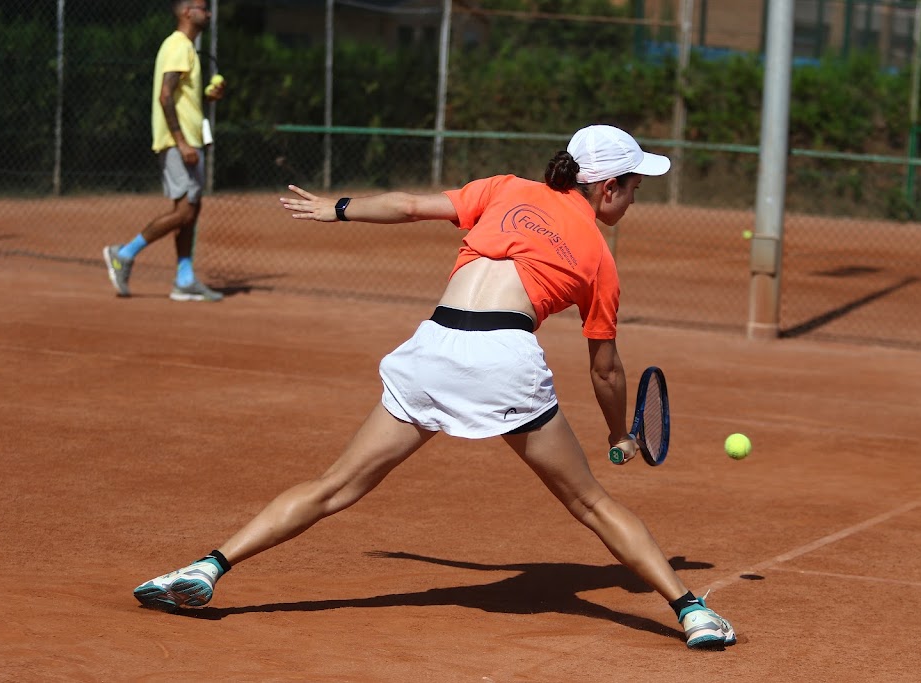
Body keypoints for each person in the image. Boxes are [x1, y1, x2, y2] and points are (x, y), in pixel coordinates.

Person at [132, 124, 737, 650]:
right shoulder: (600, 259)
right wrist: (616, 434)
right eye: (634, 185)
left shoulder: (504, 189)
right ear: (607, 188)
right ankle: (692, 612)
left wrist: (337, 208)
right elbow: (605, 369)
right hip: (502, 358)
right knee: (592, 505)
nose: (634, 196)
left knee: (333, 486)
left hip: (432, 345)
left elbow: (409, 206)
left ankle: (208, 568)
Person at [103, 0, 224, 302]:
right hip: (179, 143)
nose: (208, 12)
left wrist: (208, 97)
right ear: (186, 12)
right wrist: (181, 142)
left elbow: (182, 100)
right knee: (183, 211)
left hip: (189, 139)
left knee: (191, 212)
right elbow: (165, 95)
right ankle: (123, 254)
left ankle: (184, 279)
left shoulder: (187, 49)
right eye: (202, 7)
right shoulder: (178, 45)